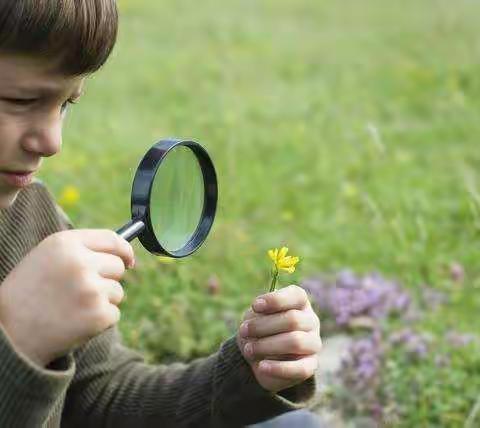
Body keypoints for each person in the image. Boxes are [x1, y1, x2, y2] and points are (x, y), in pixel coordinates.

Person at [0, 1, 323, 427]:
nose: (52, 141)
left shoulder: (32, 217)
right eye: (21, 100)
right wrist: (17, 342)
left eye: (65, 104)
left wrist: (246, 375)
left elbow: (98, 399)